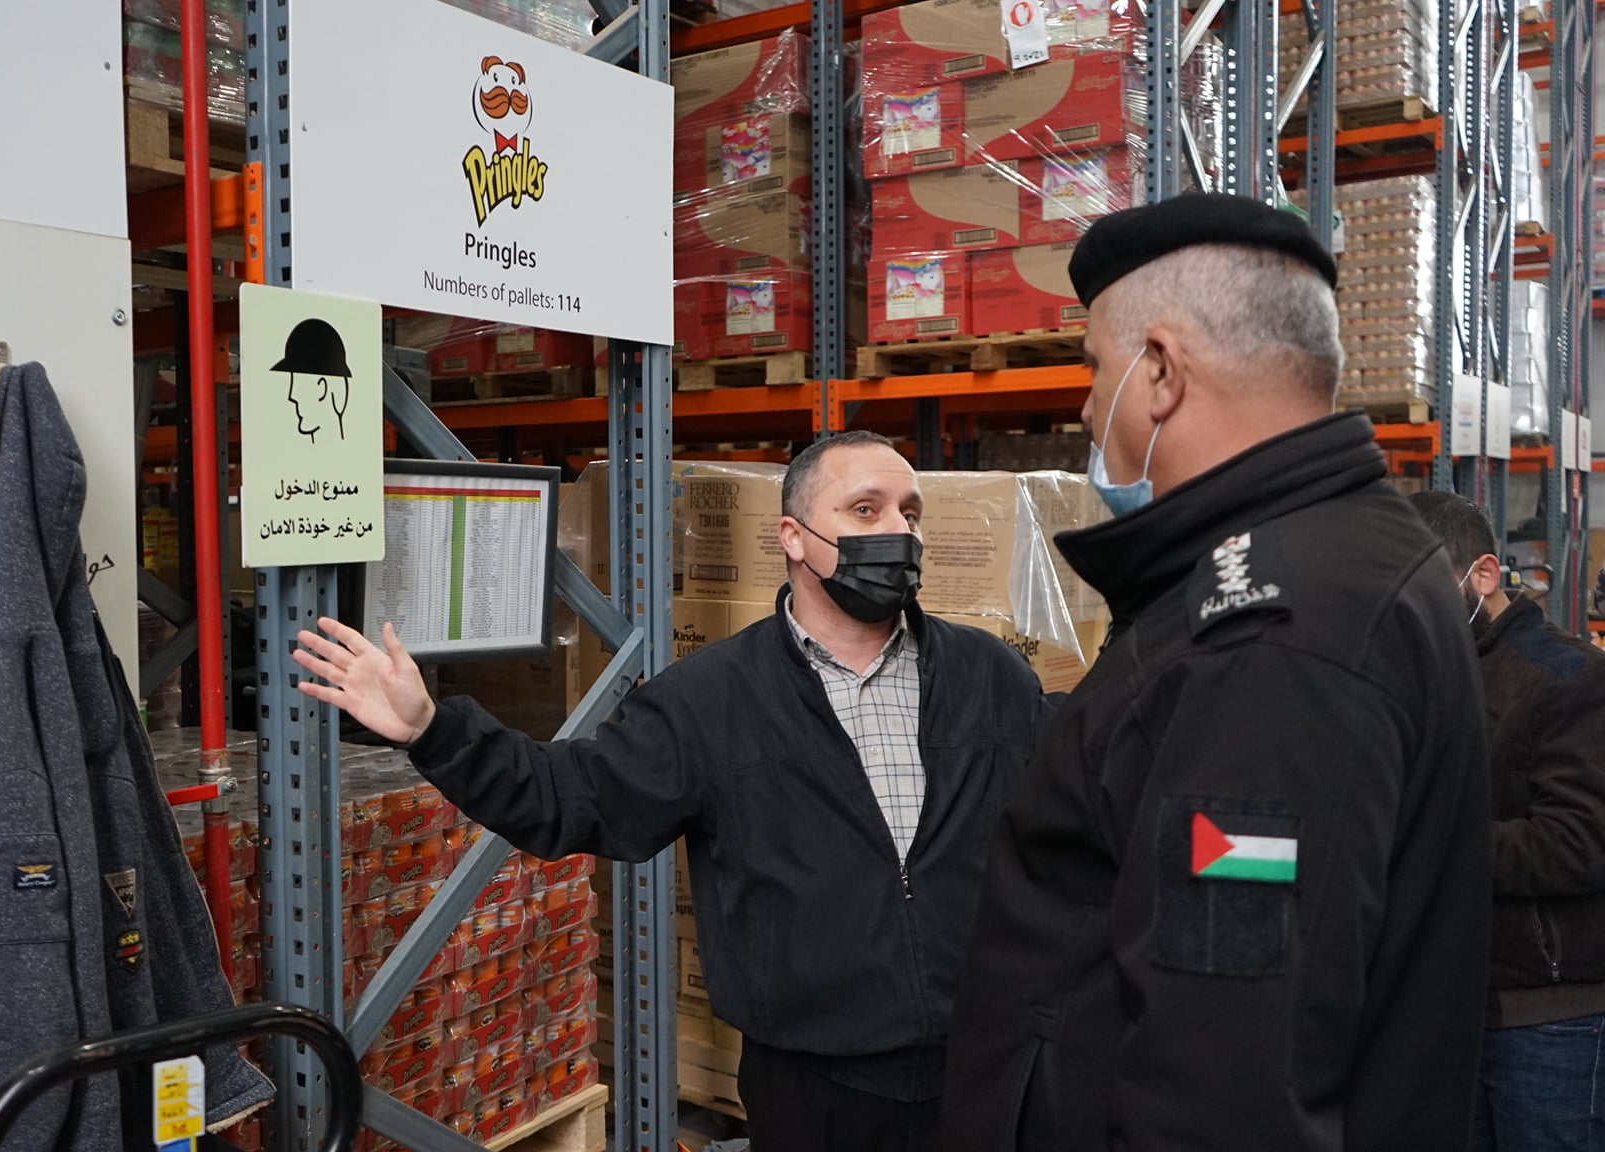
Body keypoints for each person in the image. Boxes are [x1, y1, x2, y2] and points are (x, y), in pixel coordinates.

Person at [294, 430, 1050, 1150]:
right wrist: (432, 730)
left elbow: (1067, 819)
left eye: (909, 513)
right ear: (793, 537)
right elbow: (571, 798)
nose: (897, 532)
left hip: (984, 1061)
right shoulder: (709, 699)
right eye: (865, 509)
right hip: (813, 1084)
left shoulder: (992, 676)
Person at [941, 194, 1493, 1152]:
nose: (1084, 407)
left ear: (1160, 370)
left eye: (1094, 367)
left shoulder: (1274, 643)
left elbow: (1226, 1080)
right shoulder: (1342, 556)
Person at [1409, 490, 1605, 1152]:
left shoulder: (1568, 678)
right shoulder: (1434, 676)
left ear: (1484, 575)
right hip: (1457, 1006)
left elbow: (1581, 842)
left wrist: (1436, 844)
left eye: (1422, 587)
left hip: (1552, 1016)